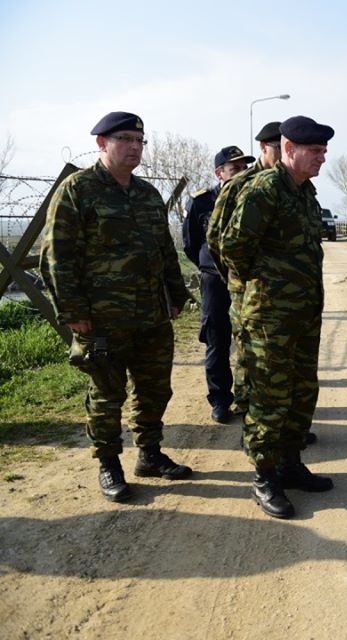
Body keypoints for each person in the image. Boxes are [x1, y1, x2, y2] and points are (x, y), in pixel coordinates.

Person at [40, 111, 193, 503]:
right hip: (102, 320)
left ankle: (150, 454)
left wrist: (176, 296)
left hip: (152, 316)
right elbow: (57, 256)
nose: (134, 147)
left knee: (155, 390)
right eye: (124, 139)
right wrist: (73, 311)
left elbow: (165, 251)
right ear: (101, 143)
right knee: (107, 394)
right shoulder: (78, 190)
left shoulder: (148, 194)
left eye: (139, 141)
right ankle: (109, 464)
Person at [220, 116, 334, 519]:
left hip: (304, 314)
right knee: (269, 396)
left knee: (301, 392)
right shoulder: (265, 189)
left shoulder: (305, 191)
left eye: (323, 150)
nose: (322, 157)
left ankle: (290, 463)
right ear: (289, 149)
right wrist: (264, 287)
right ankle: (264, 476)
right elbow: (231, 248)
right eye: (315, 150)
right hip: (269, 317)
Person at [207, 123, 318, 445]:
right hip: (252, 294)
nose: (279, 154)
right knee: (255, 365)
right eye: (275, 148)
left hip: (289, 301)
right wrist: (248, 280)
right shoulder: (244, 184)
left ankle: (286, 436)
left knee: (288, 371)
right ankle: (254, 428)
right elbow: (219, 240)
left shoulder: (299, 187)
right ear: (265, 148)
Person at [183, 145, 254, 424]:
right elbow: (191, 244)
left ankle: (251, 398)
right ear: (219, 173)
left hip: (246, 278)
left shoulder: (253, 198)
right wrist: (210, 265)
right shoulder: (201, 202)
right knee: (217, 338)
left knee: (251, 339)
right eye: (235, 168)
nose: (241, 173)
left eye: (245, 168)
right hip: (214, 279)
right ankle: (220, 399)